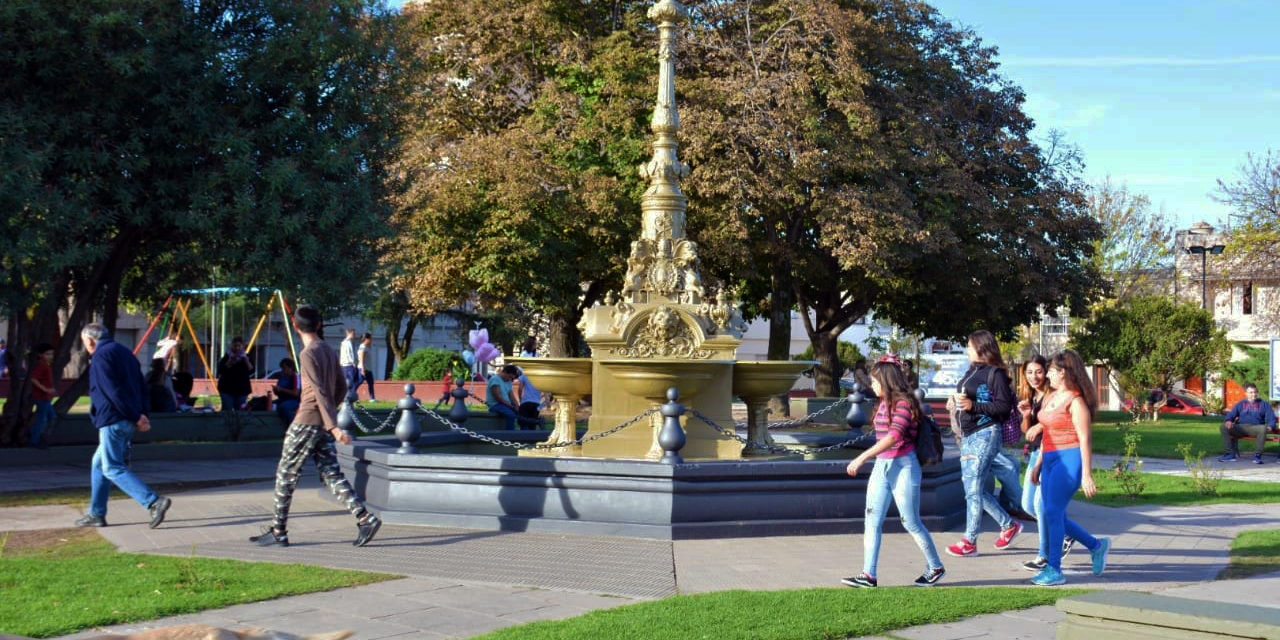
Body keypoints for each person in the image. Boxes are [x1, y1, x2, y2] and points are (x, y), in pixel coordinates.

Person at [249, 305, 381, 548]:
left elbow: (319, 391)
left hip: (307, 420)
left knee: (285, 474)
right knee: (330, 472)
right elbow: (341, 387)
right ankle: (365, 518)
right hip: (321, 420)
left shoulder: (307, 354)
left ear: (296, 327)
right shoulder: (328, 350)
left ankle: (278, 531)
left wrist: (333, 427)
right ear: (319, 324)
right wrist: (330, 416)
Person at [842, 361, 946, 588]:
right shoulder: (883, 404)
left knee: (910, 521)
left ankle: (935, 566)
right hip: (883, 465)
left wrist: (861, 457)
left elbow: (894, 436)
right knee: (872, 519)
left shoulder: (904, 404)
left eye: (875, 381)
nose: (872, 385)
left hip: (903, 467)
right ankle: (868, 575)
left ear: (887, 381)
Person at [74, 323, 171, 529]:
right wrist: (142, 414)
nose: (86, 347)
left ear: (90, 340)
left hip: (114, 418)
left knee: (112, 467)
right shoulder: (126, 353)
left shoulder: (101, 356)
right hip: (128, 417)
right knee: (98, 464)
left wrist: (136, 416)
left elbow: (111, 391)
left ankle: (153, 501)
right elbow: (141, 386)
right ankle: (96, 514)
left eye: (85, 343)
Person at [1027, 349, 1110, 586]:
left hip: (1070, 459)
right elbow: (1048, 432)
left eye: (1051, 370)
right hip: (1051, 459)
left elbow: (1085, 439)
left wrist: (1086, 475)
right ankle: (1096, 545)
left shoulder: (1076, 401)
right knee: (1050, 512)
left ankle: (1054, 569)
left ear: (1064, 372)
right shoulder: (1051, 397)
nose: (1048, 374)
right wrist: (1038, 464)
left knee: (1051, 512)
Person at [945, 329, 1021, 557]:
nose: (967, 349)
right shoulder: (971, 371)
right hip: (968, 435)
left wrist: (973, 406)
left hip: (985, 433)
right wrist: (956, 401)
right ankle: (1008, 525)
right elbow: (969, 399)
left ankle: (969, 541)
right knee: (972, 487)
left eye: (969, 345)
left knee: (973, 488)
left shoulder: (995, 373)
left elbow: (1003, 407)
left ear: (980, 346)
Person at [1014, 355, 1075, 572]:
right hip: (1035, 453)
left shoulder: (1054, 396)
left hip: (1050, 453)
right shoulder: (1031, 397)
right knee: (1028, 505)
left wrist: (1039, 426)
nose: (1034, 377)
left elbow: (1053, 425)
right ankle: (1067, 534)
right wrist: (1025, 415)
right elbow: (1026, 432)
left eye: (1038, 371)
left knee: (1041, 506)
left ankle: (1044, 555)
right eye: (1029, 372)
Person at [1219, 383, 1278, 464]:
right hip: (1241, 428)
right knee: (1223, 427)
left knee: (1263, 428)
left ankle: (1257, 456)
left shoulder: (1264, 404)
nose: (1254, 394)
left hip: (1254, 428)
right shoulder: (1241, 404)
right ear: (1246, 393)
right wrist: (1228, 420)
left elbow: (1272, 418)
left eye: (1255, 392)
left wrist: (1271, 426)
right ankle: (1229, 454)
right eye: (1251, 392)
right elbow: (1231, 414)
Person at [28, 343, 57, 448]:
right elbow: (33, 378)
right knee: (42, 419)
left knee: (52, 416)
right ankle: (34, 440)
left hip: (46, 397)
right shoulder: (41, 365)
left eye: (51, 354)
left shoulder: (46, 365)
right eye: (47, 354)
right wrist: (45, 389)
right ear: (41, 355)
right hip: (41, 397)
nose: (50, 356)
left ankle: (39, 436)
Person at [216, 336, 254, 411]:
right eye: (235, 346)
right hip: (226, 389)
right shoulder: (227, 356)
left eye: (239, 346)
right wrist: (230, 362)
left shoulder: (246, 357)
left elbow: (252, 370)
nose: (237, 348)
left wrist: (246, 360)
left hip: (242, 390)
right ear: (232, 346)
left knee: (240, 411)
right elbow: (221, 370)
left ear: (242, 346)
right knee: (227, 410)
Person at [485, 364, 521, 429]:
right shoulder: (495, 379)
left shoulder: (509, 381)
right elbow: (498, 397)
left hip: (505, 405)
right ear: (504, 372)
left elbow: (512, 396)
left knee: (520, 414)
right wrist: (511, 406)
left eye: (512, 378)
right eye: (509, 377)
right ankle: (510, 434)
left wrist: (517, 406)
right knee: (510, 415)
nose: (510, 379)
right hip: (495, 405)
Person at [270, 358, 301, 427]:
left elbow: (295, 393)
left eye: (284, 368)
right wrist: (276, 390)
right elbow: (278, 392)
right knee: (268, 405)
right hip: (282, 399)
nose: (283, 370)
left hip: (294, 400)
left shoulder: (296, 377)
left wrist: (281, 389)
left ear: (290, 368)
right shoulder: (282, 377)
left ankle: (292, 426)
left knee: (284, 407)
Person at [340, 327, 360, 393]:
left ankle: (350, 394)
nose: (355, 335)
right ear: (350, 333)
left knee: (349, 381)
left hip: (345, 365)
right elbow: (350, 353)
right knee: (351, 381)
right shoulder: (348, 343)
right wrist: (354, 362)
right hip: (349, 365)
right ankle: (349, 395)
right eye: (353, 333)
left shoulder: (345, 342)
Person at [357, 332, 376, 402]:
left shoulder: (367, 347)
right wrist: (363, 368)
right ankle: (350, 394)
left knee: (371, 383)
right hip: (364, 368)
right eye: (370, 338)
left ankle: (372, 398)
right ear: (366, 339)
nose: (371, 340)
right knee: (359, 381)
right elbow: (362, 358)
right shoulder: (363, 347)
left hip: (368, 368)